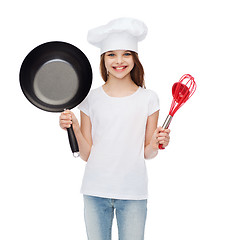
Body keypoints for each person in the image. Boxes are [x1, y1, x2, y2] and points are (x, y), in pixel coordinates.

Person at [59, 18, 170, 240]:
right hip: (95, 190)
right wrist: (76, 129)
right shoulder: (90, 98)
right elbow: (87, 154)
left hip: (133, 192)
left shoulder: (149, 99)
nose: (119, 61)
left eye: (126, 54)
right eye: (111, 54)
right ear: (103, 59)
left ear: (135, 58)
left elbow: (148, 153)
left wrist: (158, 142)